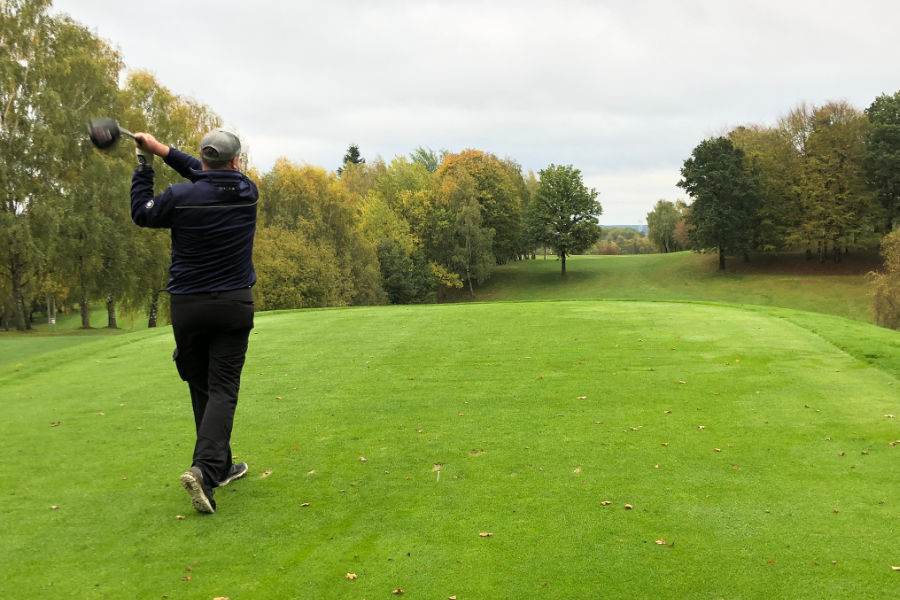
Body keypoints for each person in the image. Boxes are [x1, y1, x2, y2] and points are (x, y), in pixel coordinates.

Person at [130, 128, 258, 514]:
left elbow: (142, 212)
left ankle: (218, 467)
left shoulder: (180, 198)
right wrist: (162, 149)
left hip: (188, 307)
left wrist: (145, 163)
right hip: (233, 305)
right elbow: (207, 174)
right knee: (221, 388)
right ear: (235, 162)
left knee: (202, 383)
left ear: (204, 160)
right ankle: (206, 468)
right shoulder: (246, 191)